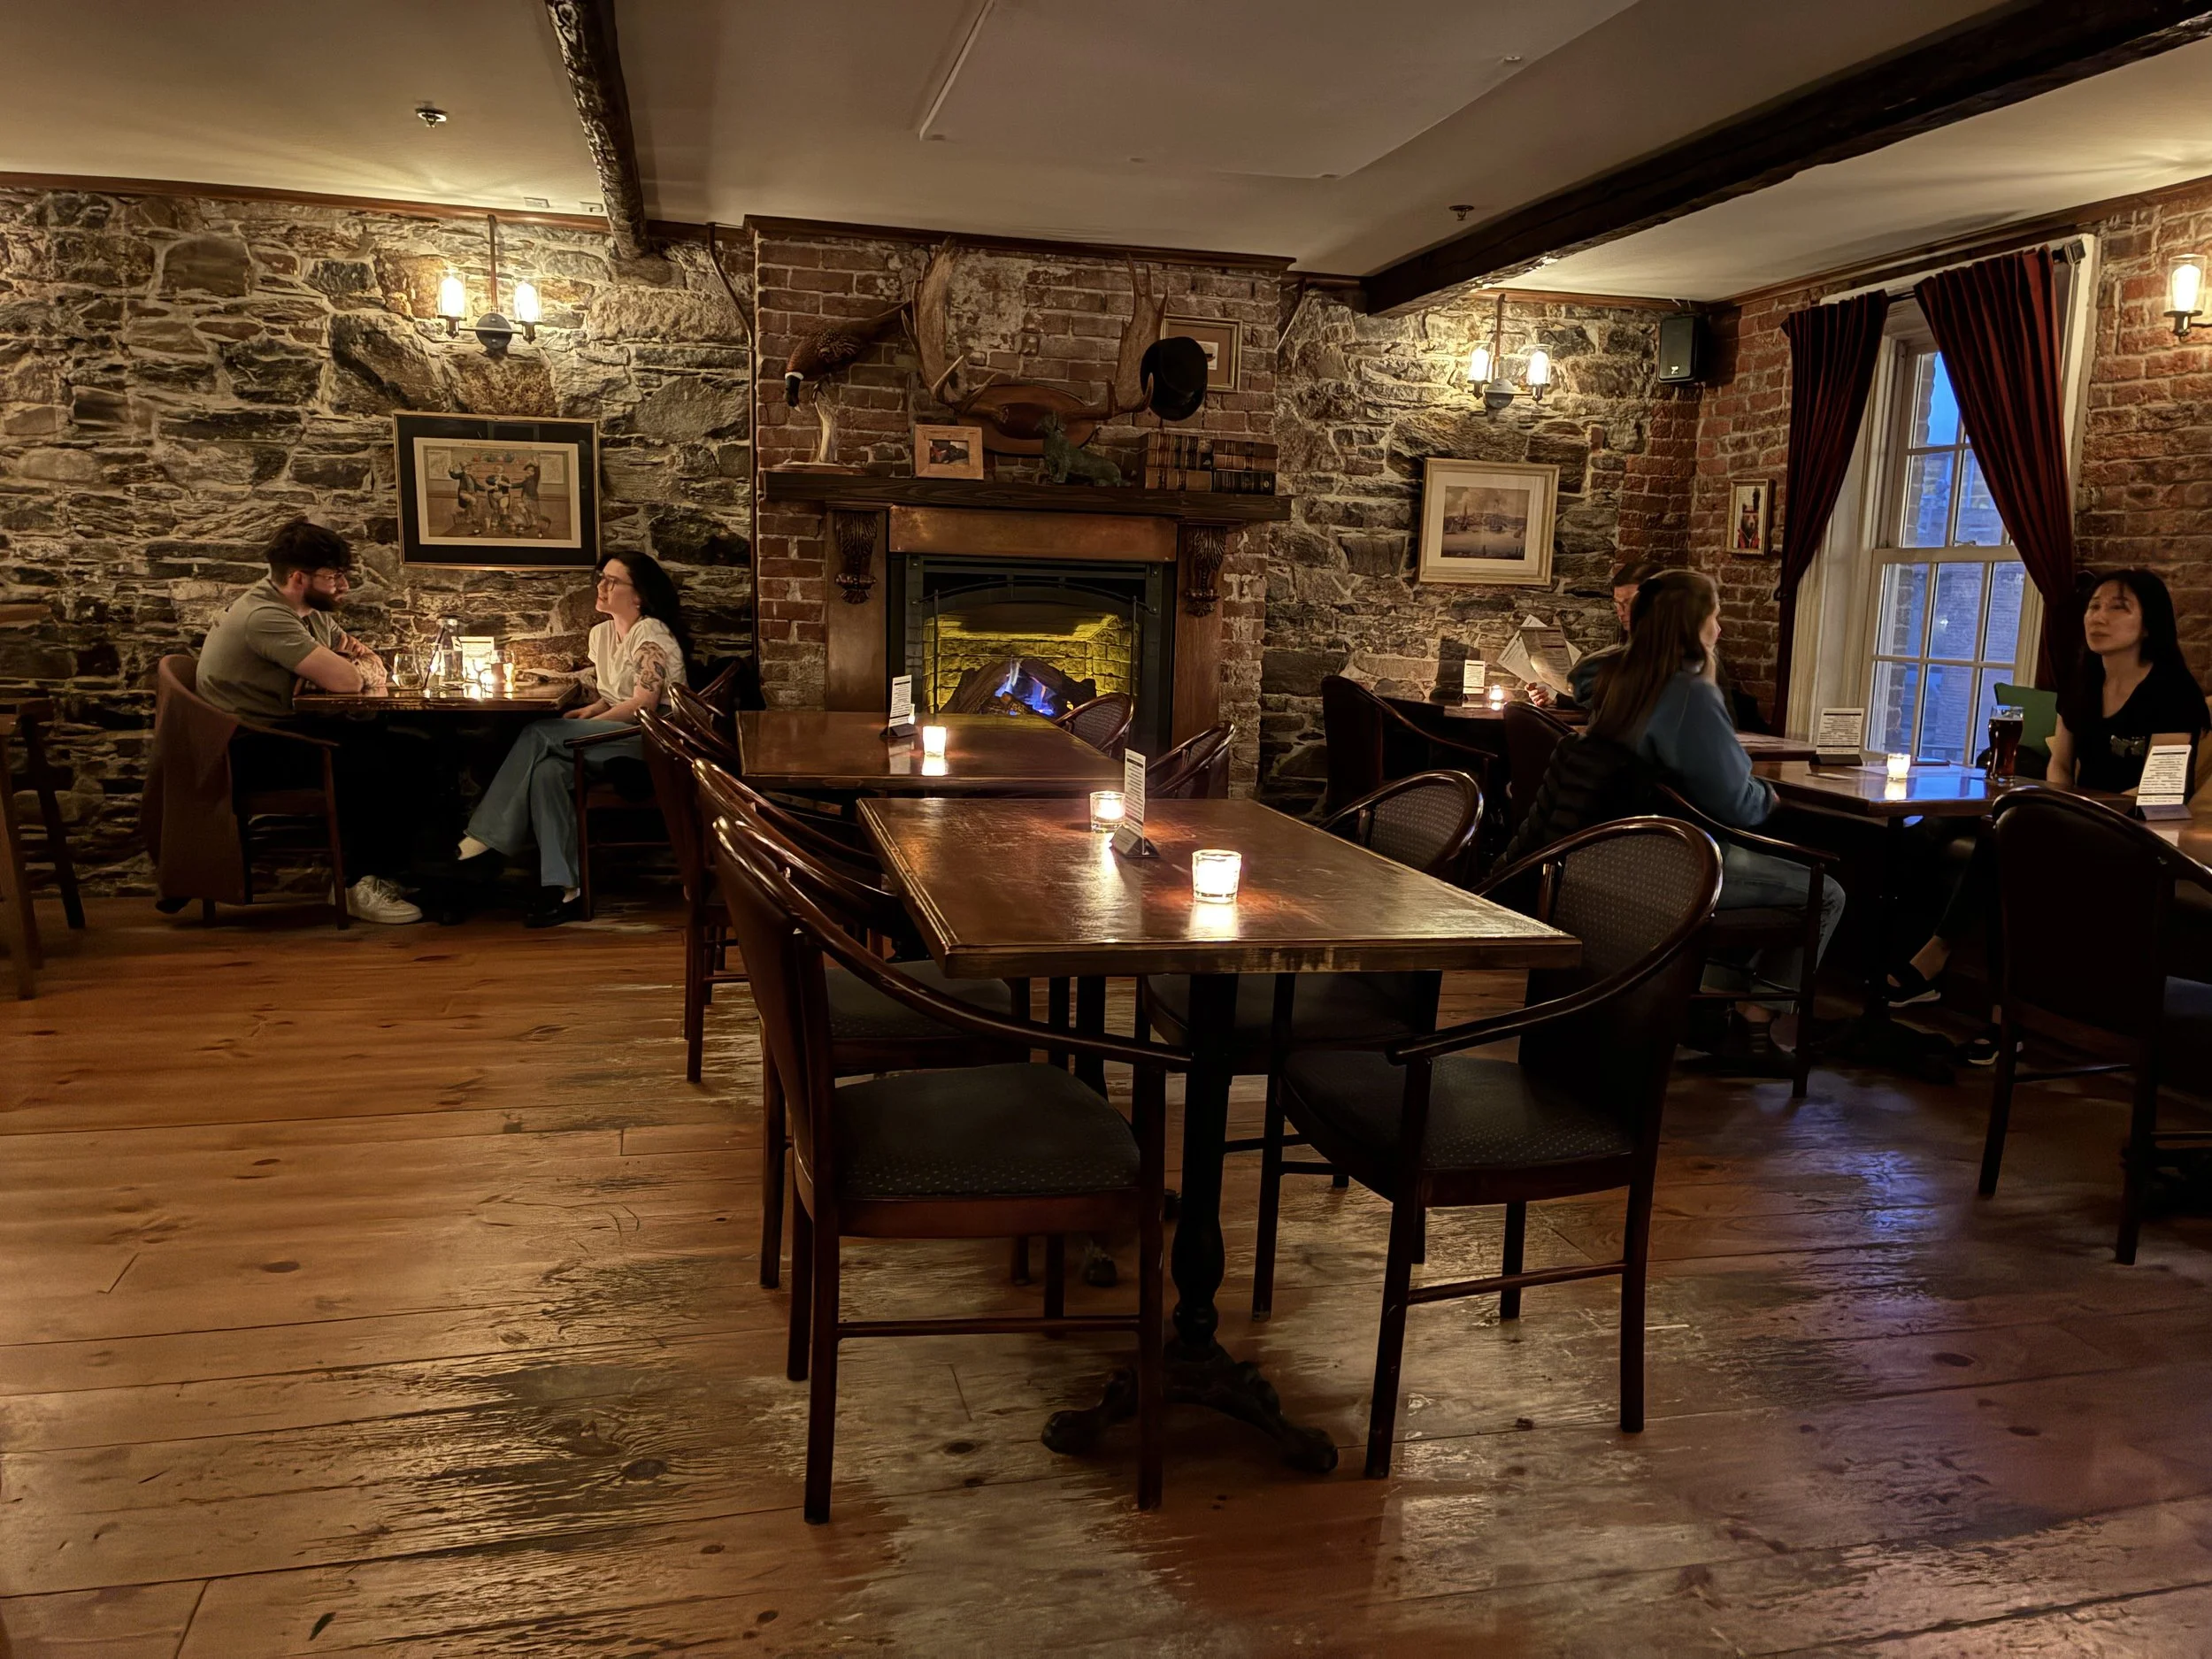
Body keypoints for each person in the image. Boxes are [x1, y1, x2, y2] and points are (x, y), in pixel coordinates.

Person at [1888, 569, 2211, 1059]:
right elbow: (2061, 764)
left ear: (2148, 626)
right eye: (2094, 606)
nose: (2098, 617)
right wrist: (2058, 808)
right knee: (2007, 840)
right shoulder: (2084, 680)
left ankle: (1943, 961)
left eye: (2118, 607)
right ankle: (2001, 1020)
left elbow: (2163, 787)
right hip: (2077, 817)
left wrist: (2079, 812)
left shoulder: (2173, 691)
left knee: (2012, 847)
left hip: (2139, 831)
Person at [1587, 570, 1845, 1058]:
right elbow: (1739, 805)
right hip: (1679, 864)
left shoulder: (1619, 681)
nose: (1720, 628)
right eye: (1715, 616)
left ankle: (1710, 1008)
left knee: (1758, 872)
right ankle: (1756, 1022)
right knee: (1826, 892)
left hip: (1621, 851)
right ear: (1693, 625)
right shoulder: (1690, 695)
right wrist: (1768, 794)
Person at [196, 518, 424, 924]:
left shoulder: (311, 614)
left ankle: (390, 873)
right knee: (376, 759)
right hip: (245, 749)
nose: (344, 586)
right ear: (298, 578)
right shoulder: (265, 616)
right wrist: (348, 671)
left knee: (414, 742)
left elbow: (371, 663)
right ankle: (354, 884)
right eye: (333, 577)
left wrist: (348, 669)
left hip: (286, 732)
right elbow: (347, 680)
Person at [455, 551, 690, 926]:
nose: (601, 586)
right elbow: (614, 695)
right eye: (602, 578)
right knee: (546, 772)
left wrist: (587, 728)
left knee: (539, 733)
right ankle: (566, 888)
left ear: (638, 596)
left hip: (652, 737)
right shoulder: (601, 635)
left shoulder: (650, 633)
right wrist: (590, 713)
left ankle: (485, 835)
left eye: (613, 581)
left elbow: (644, 703)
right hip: (619, 731)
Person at [1528, 559, 1664, 710]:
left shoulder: (1668, 647)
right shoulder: (1623, 635)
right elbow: (1602, 697)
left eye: (1629, 603)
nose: (1621, 612)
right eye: (1617, 603)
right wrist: (1557, 699)